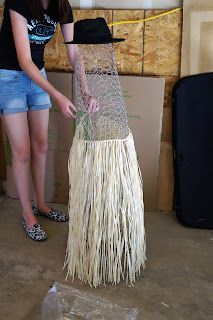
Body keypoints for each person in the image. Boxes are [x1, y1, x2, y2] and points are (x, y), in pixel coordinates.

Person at [0, 0, 98, 241]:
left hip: (38, 77)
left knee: (41, 145)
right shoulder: (18, 2)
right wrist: (57, 96)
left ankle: (41, 204)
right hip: (10, 77)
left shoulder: (62, 6)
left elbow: (74, 53)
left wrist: (85, 91)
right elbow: (24, 60)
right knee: (22, 152)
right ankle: (27, 214)